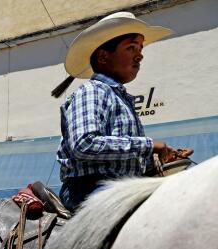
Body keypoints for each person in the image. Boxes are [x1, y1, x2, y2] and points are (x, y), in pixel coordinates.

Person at [54, 11, 192, 212]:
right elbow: (84, 144)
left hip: (125, 185)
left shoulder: (121, 98)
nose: (140, 55)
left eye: (140, 48)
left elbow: (124, 158)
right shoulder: (91, 91)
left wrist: (161, 158)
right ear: (103, 56)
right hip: (90, 188)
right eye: (131, 47)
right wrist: (149, 145)